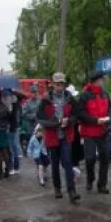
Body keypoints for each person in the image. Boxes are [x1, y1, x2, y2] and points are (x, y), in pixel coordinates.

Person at [38, 73, 80, 203]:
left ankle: (72, 191)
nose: (59, 87)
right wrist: (55, 123)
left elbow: (76, 115)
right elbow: (40, 118)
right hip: (52, 136)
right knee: (55, 164)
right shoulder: (45, 100)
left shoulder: (69, 98)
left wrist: (69, 121)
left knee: (68, 162)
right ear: (52, 84)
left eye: (61, 84)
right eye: (57, 84)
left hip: (65, 136)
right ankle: (57, 188)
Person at [76, 71, 111, 194]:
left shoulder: (105, 94)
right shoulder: (84, 96)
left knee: (105, 158)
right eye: (102, 79)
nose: (103, 81)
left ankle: (102, 184)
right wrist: (96, 121)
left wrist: (109, 117)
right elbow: (81, 113)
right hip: (89, 132)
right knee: (90, 158)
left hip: (103, 131)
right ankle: (90, 179)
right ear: (96, 81)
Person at [9, 93, 22, 175]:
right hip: (15, 127)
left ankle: (14, 167)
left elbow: (12, 117)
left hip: (12, 128)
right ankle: (15, 167)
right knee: (14, 146)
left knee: (12, 147)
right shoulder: (17, 106)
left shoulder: (14, 106)